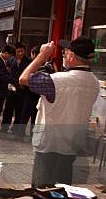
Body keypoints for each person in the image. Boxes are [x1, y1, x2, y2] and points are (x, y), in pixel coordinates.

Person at [19, 37, 99, 186]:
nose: (63, 55)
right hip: (72, 144)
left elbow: (23, 79)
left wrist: (42, 55)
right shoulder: (93, 82)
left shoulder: (58, 81)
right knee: (63, 190)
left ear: (72, 56)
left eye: (65, 52)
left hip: (49, 145)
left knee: (42, 192)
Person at [1, 42, 32, 136]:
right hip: (11, 88)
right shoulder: (11, 60)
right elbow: (7, 72)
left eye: (22, 51)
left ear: (25, 51)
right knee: (8, 109)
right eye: (18, 51)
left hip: (22, 89)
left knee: (19, 110)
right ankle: (4, 127)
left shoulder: (29, 61)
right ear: (15, 52)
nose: (20, 53)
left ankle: (16, 129)